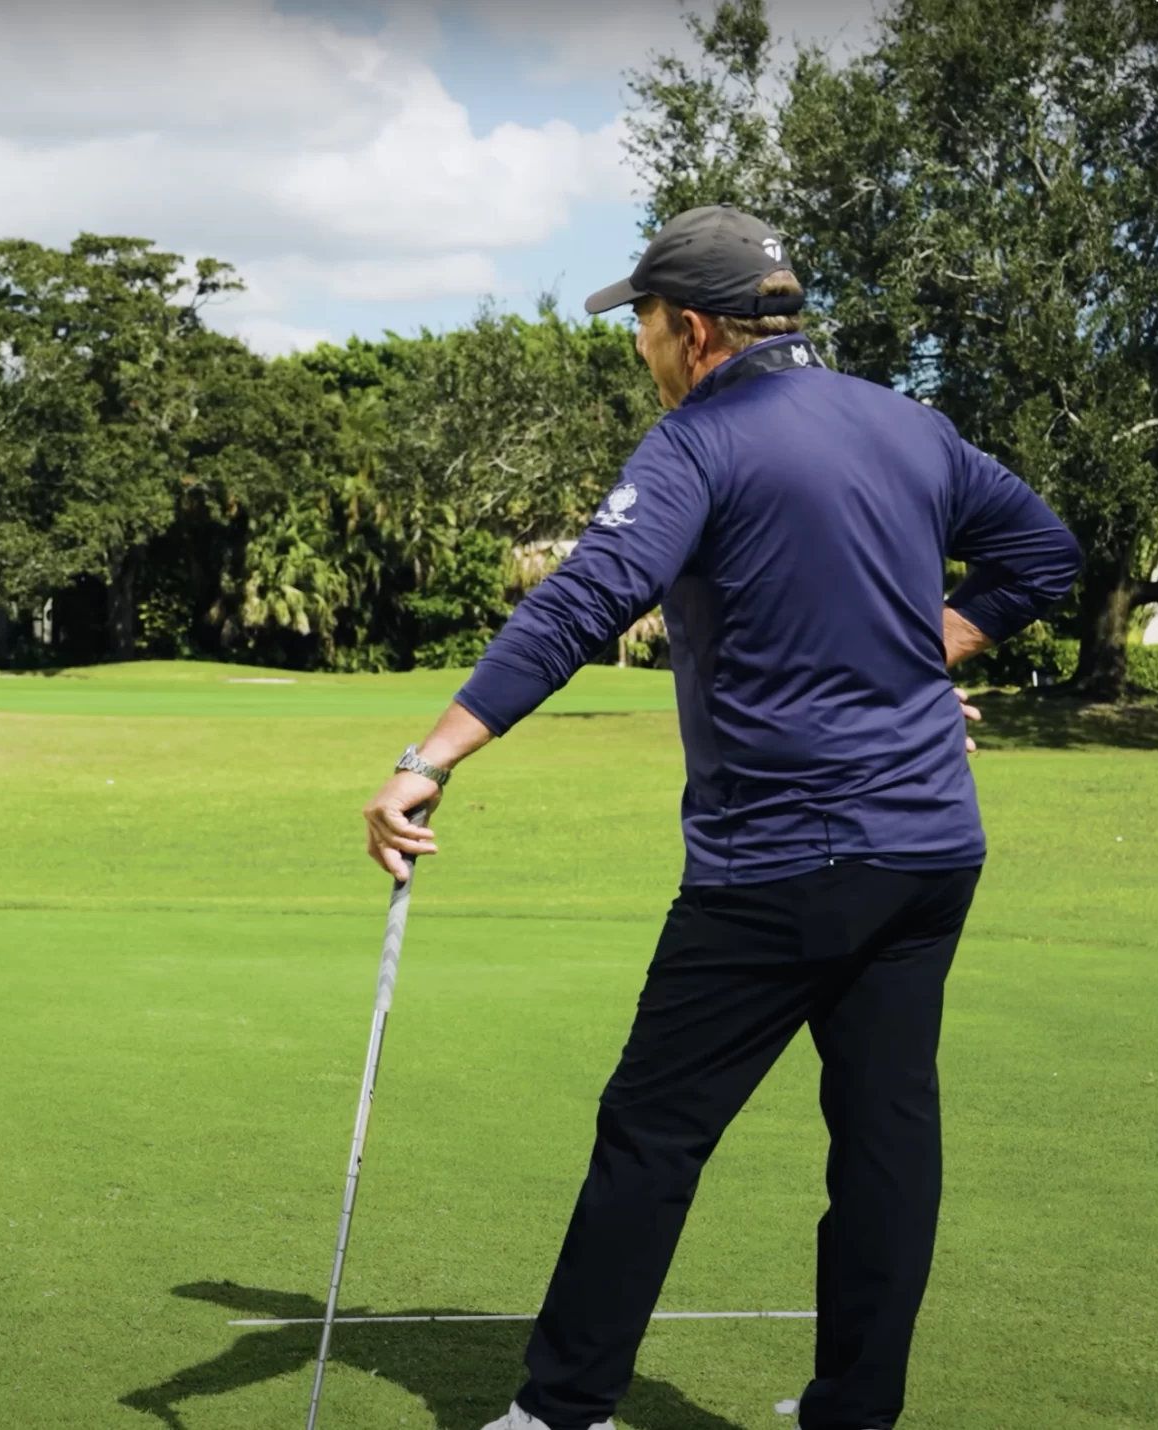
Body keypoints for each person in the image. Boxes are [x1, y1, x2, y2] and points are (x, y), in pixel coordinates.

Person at [360, 206, 1081, 1430]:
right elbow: (1042, 555)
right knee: (883, 1134)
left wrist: (430, 753)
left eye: (640, 323)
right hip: (927, 852)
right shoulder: (907, 422)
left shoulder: (698, 440)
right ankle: (851, 1414)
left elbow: (580, 603)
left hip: (781, 864)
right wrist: (927, 653)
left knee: (652, 1128)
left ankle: (560, 1408)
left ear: (692, 329)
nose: (638, 346)